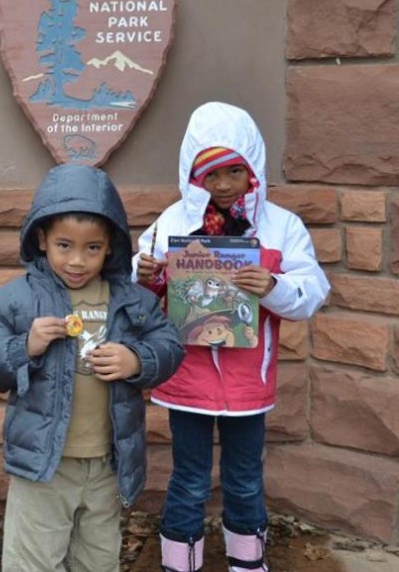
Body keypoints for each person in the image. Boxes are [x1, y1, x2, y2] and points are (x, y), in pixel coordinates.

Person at [134, 102, 330, 572]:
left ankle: (248, 562)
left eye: (234, 172)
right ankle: (179, 563)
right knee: (189, 480)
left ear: (252, 170)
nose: (222, 185)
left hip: (247, 385)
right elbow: (136, 291)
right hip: (187, 383)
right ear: (192, 176)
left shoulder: (281, 226)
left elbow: (313, 291)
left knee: (244, 478)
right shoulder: (172, 224)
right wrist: (148, 276)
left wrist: (274, 286)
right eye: (209, 175)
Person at [0, 164, 185, 572]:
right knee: (33, 562)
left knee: (98, 560)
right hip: (44, 468)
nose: (78, 260)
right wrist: (24, 346)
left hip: (107, 464)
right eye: (64, 245)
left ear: (112, 247)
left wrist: (137, 360)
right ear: (41, 239)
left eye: (93, 248)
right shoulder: (16, 300)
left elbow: (170, 346)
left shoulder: (132, 300)